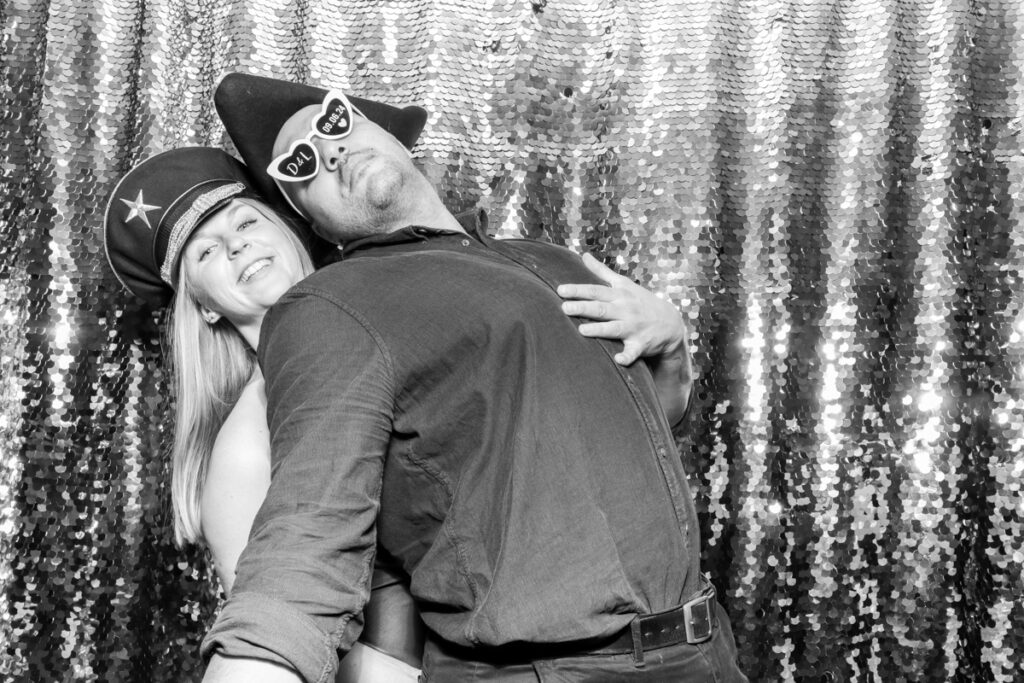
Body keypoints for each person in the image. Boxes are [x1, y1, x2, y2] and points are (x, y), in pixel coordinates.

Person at [198, 73, 746, 682]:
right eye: (301, 164)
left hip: (703, 650)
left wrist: (673, 348)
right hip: (554, 670)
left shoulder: (548, 258)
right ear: (309, 219)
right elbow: (307, 532)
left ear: (390, 134)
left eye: (334, 122)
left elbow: (637, 428)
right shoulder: (333, 303)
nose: (330, 150)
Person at [103, 148, 694, 680]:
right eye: (206, 251)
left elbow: (586, 453)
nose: (236, 245)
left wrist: (671, 345)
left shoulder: (416, 329)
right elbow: (285, 622)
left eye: (247, 221)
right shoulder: (243, 450)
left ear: (286, 228)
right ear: (201, 307)